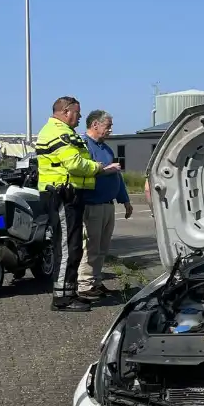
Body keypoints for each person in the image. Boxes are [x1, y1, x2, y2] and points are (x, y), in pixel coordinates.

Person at [35, 96, 121, 312]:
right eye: (77, 113)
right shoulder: (57, 132)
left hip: (69, 194)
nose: (79, 117)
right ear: (66, 111)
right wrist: (98, 167)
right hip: (61, 194)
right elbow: (74, 163)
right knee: (66, 247)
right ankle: (62, 298)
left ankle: (69, 293)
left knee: (73, 246)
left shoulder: (66, 132)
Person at [76, 110, 133, 298]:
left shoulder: (106, 149)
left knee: (102, 248)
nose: (110, 129)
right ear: (95, 125)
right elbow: (82, 170)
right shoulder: (83, 146)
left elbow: (117, 176)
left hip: (108, 205)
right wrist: (106, 170)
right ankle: (85, 284)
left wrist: (125, 200)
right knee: (91, 247)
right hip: (92, 204)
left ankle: (96, 282)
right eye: (107, 125)